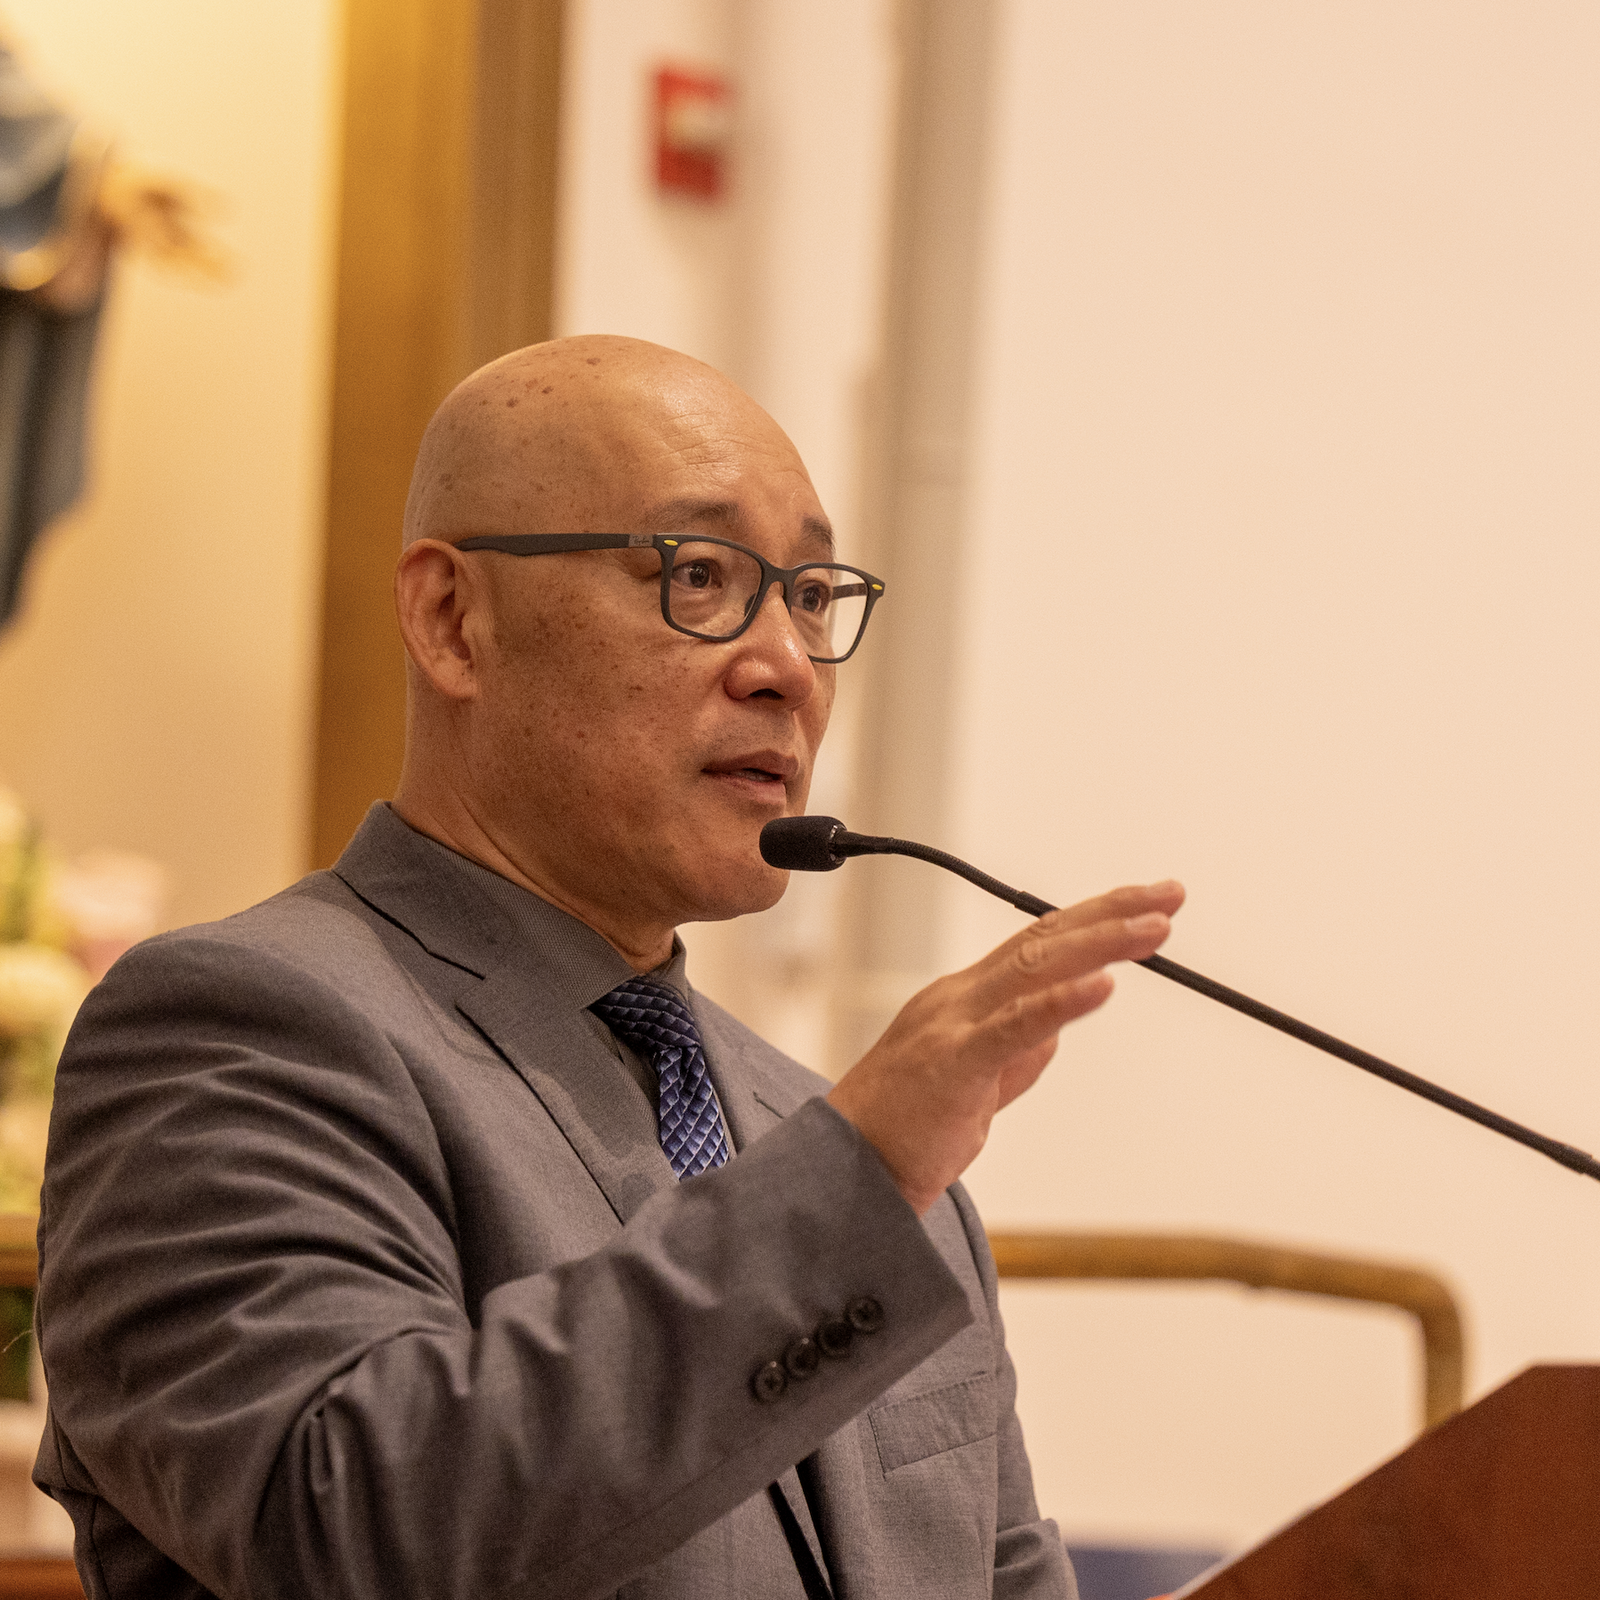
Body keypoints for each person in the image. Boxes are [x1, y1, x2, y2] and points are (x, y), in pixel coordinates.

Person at [33, 335, 1184, 1598]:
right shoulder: (243, 1028)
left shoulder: (827, 1132)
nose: (788, 668)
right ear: (451, 619)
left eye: (809, 594)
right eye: (698, 575)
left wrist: (860, 1172)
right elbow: (349, 1530)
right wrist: (851, 1187)